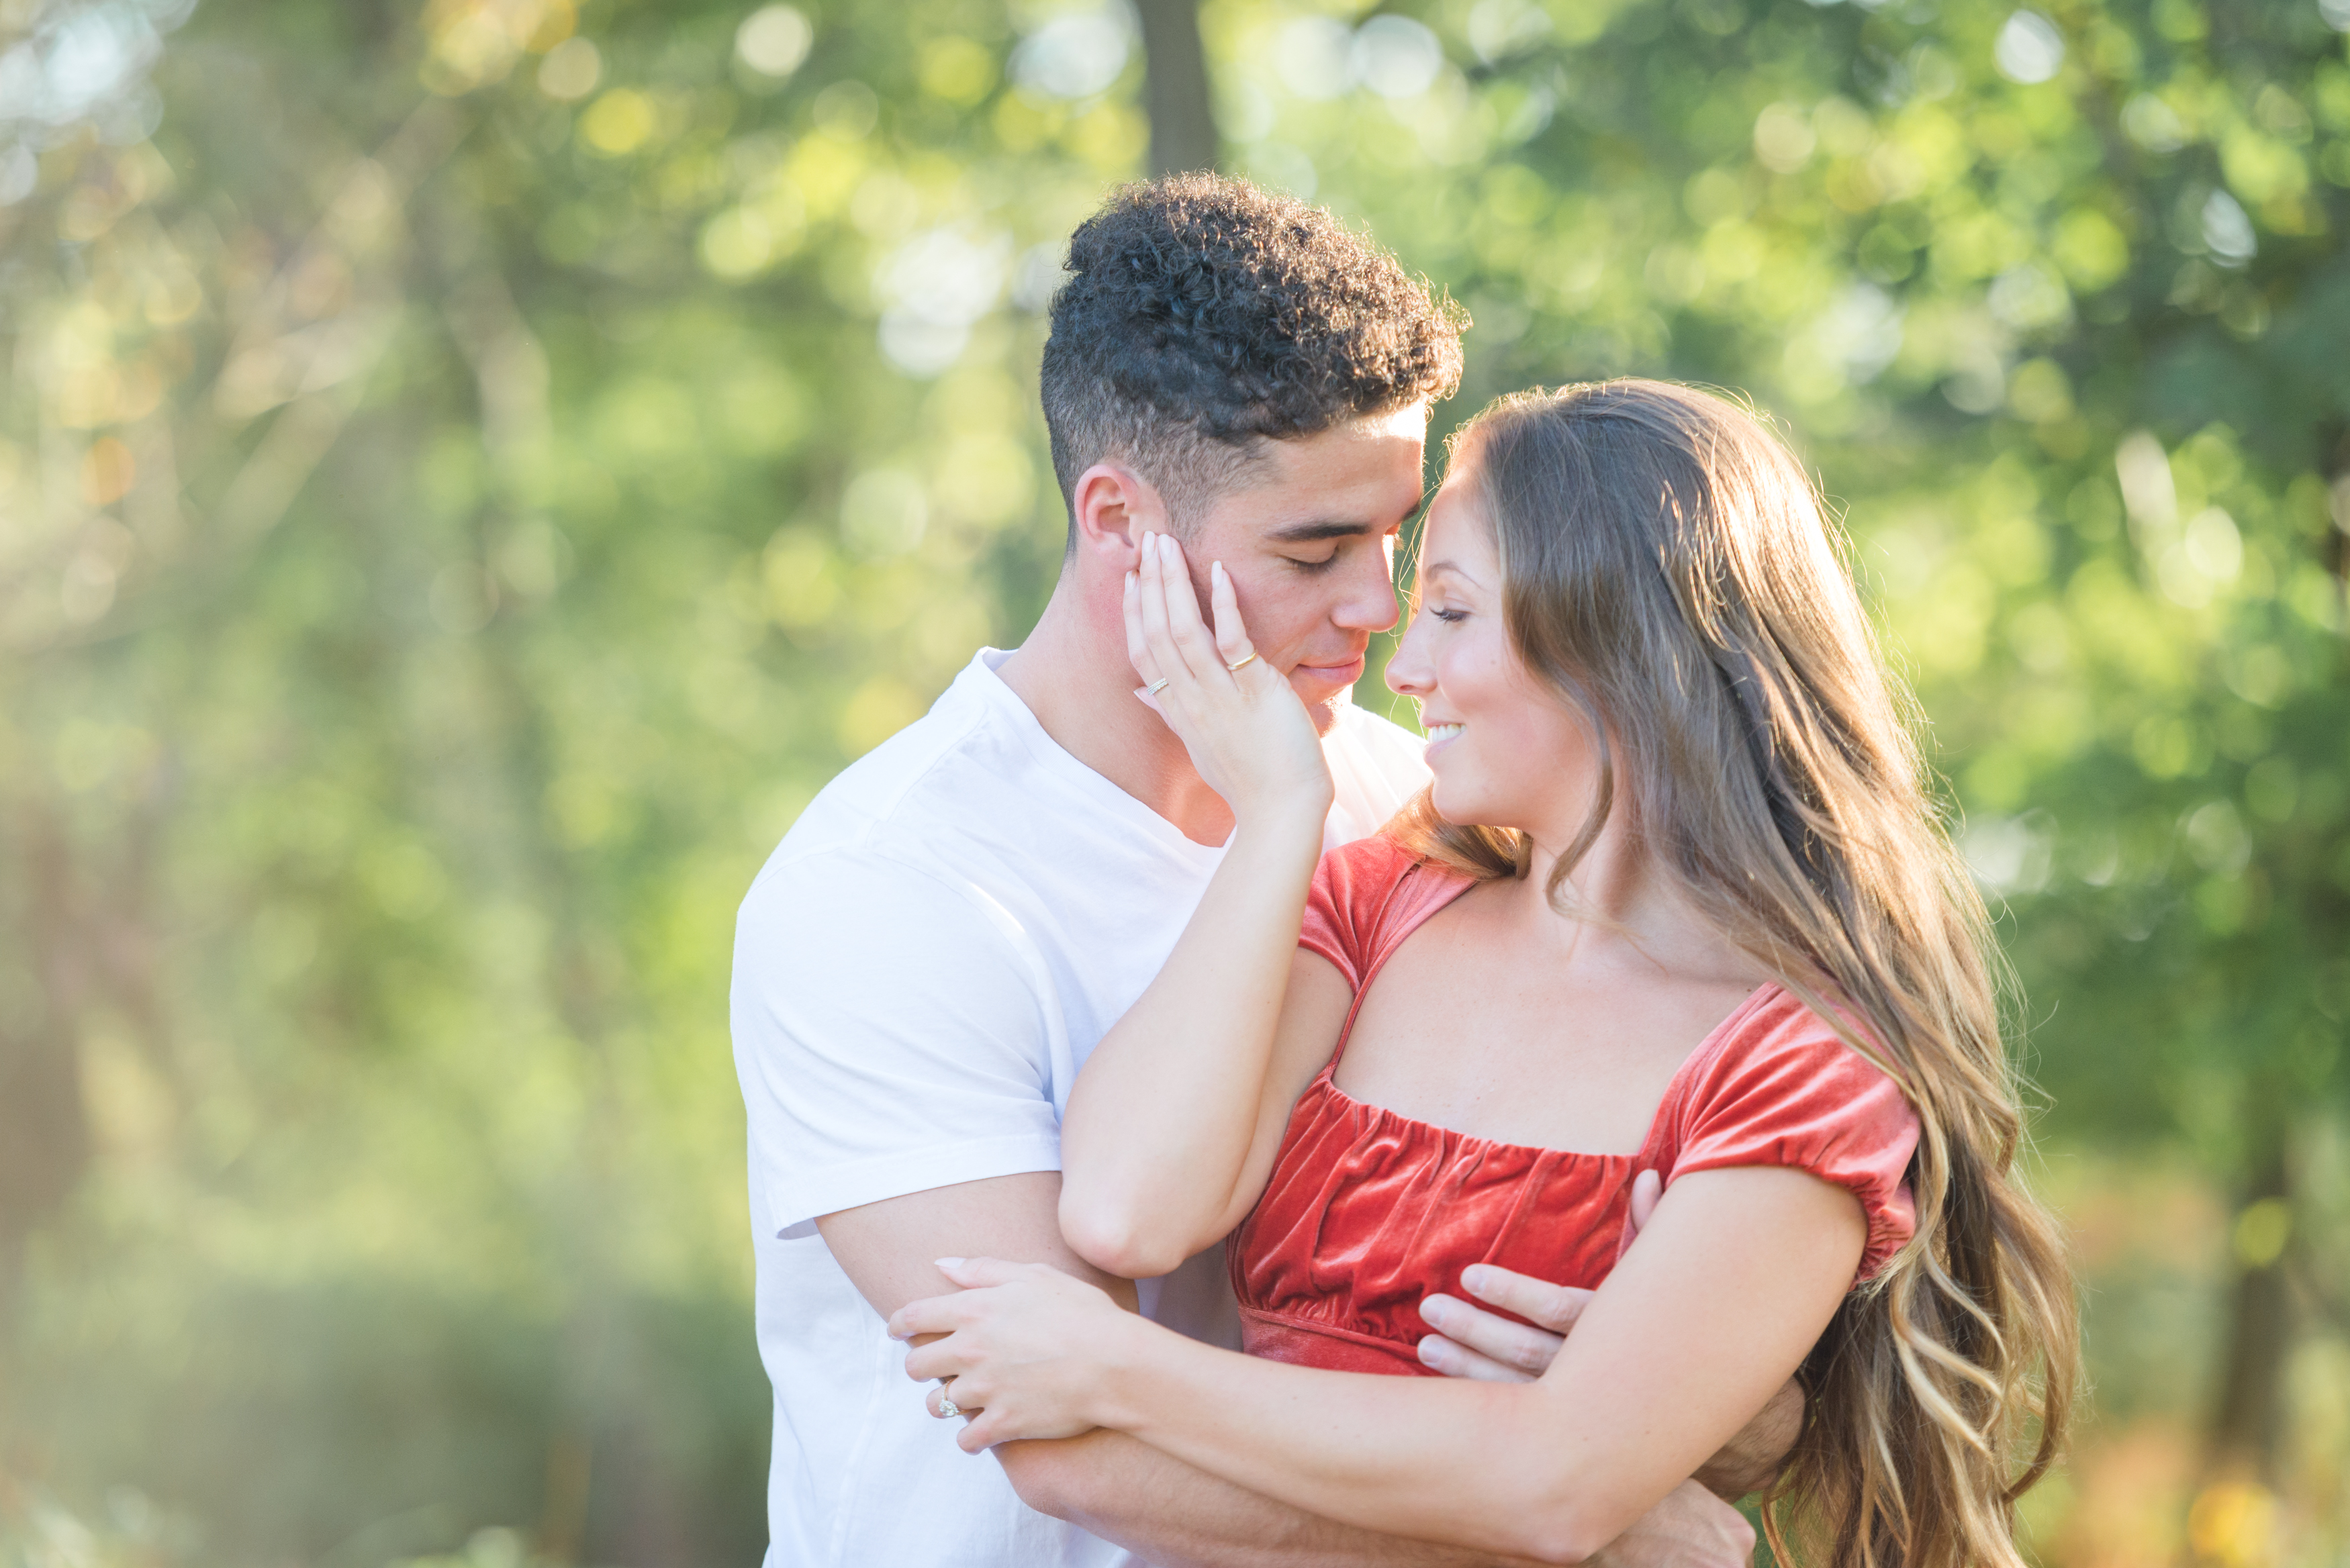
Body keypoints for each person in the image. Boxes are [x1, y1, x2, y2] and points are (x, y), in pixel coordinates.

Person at [731, 180, 1779, 1568]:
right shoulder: (886, 894)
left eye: (1396, 533)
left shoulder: (1423, 809)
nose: (1377, 603)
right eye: (1312, 548)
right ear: (1118, 521)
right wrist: (1586, 1522)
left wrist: (1666, 1403)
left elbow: (1669, 1299)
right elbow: (1064, 1438)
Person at [889, 381, 2081, 1568]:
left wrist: (1118, 1366)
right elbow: (1127, 1209)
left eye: (1451, 613)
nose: (1400, 671)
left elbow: (1554, 1489)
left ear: (1617, 642)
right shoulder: (1378, 900)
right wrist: (1276, 815)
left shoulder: (1797, 1066)